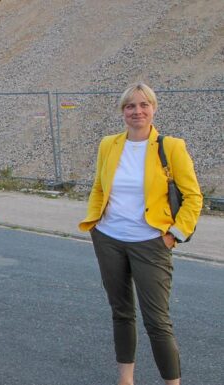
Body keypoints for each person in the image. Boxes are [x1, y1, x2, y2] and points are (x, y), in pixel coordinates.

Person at [79, 83, 202, 385]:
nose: (137, 111)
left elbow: (194, 196)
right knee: (121, 312)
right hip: (109, 239)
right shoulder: (109, 144)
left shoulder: (171, 147)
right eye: (130, 106)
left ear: (154, 109)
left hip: (151, 242)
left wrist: (174, 234)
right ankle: (126, 379)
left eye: (144, 105)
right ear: (123, 111)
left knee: (157, 321)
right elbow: (98, 186)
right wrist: (94, 222)